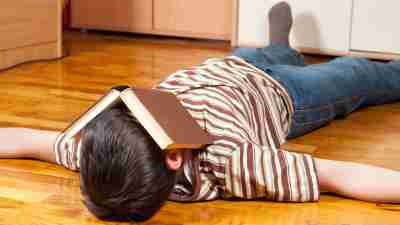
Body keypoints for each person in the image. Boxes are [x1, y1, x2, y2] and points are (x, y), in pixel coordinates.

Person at [1, 2, 400, 223]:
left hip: (224, 67)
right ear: (174, 155)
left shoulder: (98, 151)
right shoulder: (234, 163)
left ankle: (281, 44)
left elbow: (27, 140)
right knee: (356, 74)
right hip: (283, 96)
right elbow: (336, 174)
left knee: (270, 53)